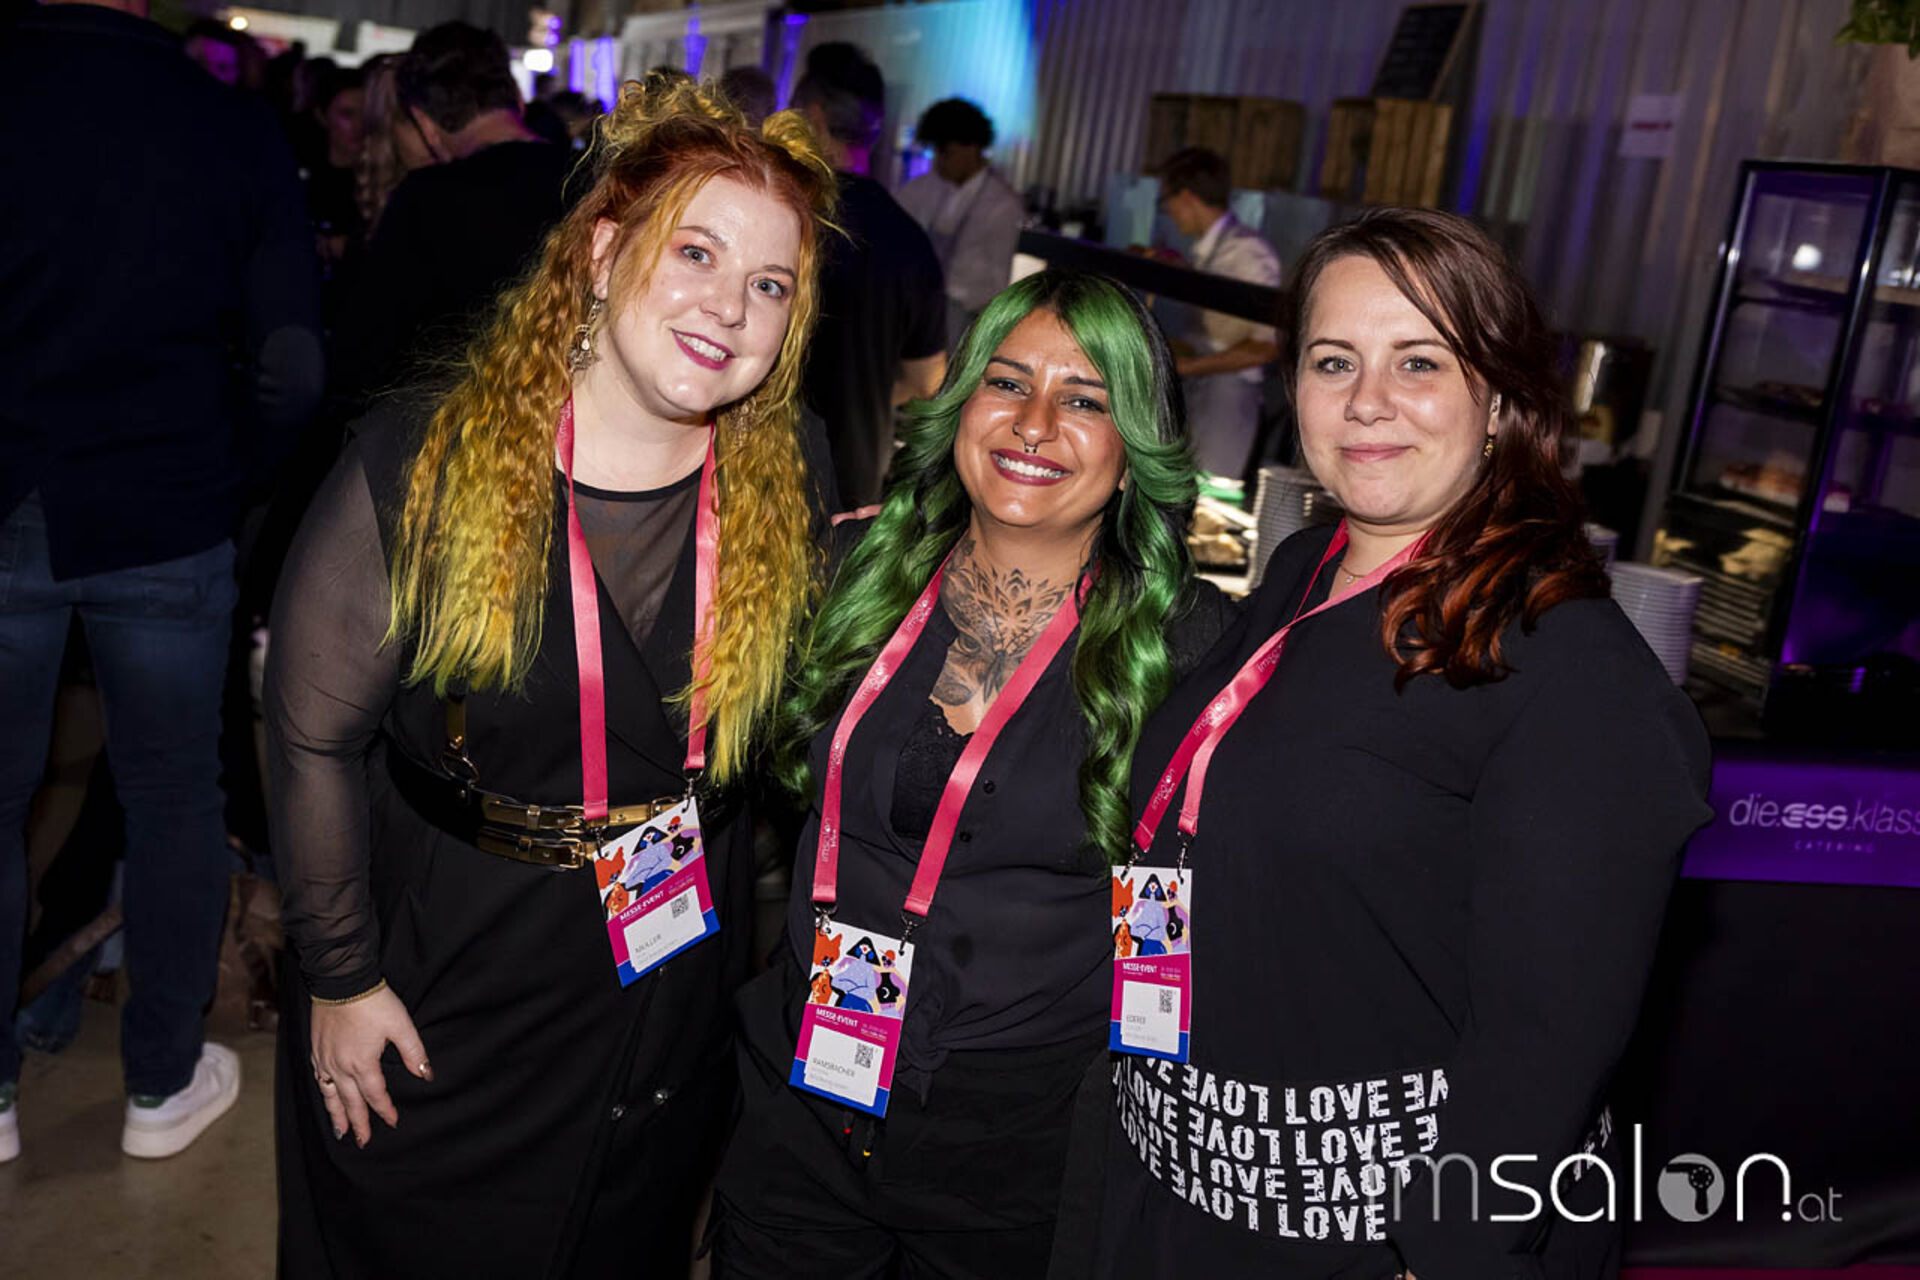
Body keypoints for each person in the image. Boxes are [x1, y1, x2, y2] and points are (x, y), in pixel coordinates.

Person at [265, 76, 837, 1277]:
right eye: (695, 251)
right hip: (452, 965)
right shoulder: (427, 461)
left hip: (668, 972)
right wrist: (342, 975)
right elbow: (311, 734)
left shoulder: (790, 473)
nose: (729, 306)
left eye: (770, 284)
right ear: (602, 251)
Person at [1091, 208, 1714, 1278]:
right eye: (1333, 361)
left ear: (1501, 398)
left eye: (1419, 362)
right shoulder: (1307, 566)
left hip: (1379, 1237)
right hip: (1186, 1191)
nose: (1367, 400)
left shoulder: (1570, 667)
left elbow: (1546, 1043)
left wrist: (1444, 1254)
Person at [712, 269, 1234, 1279]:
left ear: (1135, 452)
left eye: (1085, 399)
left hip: (1017, 1146)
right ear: (960, 403)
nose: (1034, 423)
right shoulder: (846, 569)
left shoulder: (1190, 647)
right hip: (803, 1091)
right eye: (1007, 382)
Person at [0, 0, 322, 1164]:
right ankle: (160, 1082)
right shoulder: (225, 123)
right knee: (175, 794)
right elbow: (293, 364)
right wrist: (229, 476)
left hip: (8, 493)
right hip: (166, 501)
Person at [329, 21, 575, 407]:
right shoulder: (595, 179)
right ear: (516, 99)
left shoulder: (427, 199)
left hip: (464, 424)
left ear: (426, 125)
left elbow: (364, 355)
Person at [793, 41, 948, 507]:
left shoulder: (787, 217)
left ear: (812, 117)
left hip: (763, 475)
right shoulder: (909, 238)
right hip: (853, 485)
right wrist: (866, 393)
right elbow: (928, 381)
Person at [1155, 146, 1280, 478]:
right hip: (1202, 388)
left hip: (1229, 396)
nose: (1169, 212)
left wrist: (1189, 365)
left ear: (1186, 197)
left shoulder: (1248, 253)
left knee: (1211, 493)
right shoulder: (1211, 248)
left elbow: (1267, 346)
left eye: (1166, 201)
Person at [898, 98, 1026, 349]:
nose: (938, 162)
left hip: (963, 321)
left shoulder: (1001, 204)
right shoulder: (924, 188)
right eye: (936, 153)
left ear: (972, 148)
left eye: (947, 153)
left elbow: (997, 283)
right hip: (918, 307)